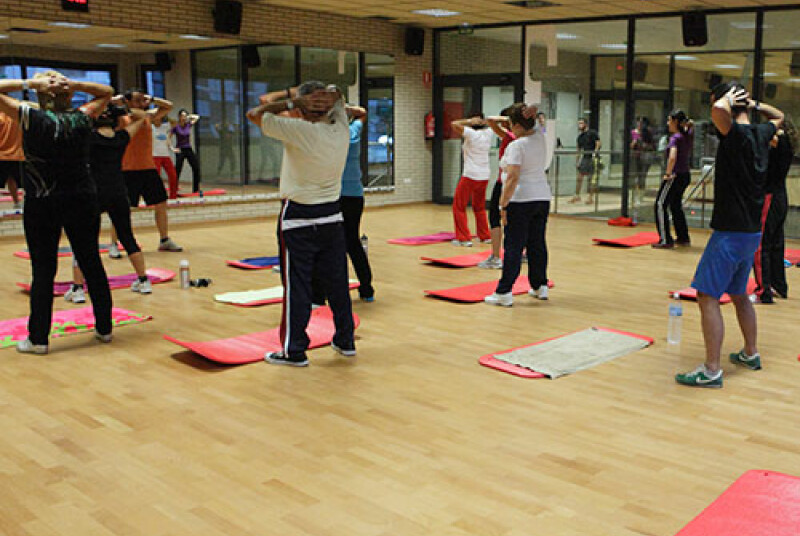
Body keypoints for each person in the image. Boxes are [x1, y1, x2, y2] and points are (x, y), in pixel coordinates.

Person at [675, 82, 783, 388]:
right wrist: (754, 104)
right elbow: (779, 116)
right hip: (750, 232)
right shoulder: (761, 133)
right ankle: (750, 352)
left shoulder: (736, 135)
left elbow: (718, 110)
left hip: (730, 232)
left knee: (706, 296)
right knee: (738, 294)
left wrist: (728, 100)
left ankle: (711, 370)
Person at [0, 71, 114, 354]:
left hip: (44, 201)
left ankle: (38, 339)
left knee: (43, 269)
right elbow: (107, 92)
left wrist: (30, 84)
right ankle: (104, 328)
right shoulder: (82, 117)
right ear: (68, 94)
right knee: (91, 261)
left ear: (41, 93)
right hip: (82, 198)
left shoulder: (31, 116)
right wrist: (73, 85)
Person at [246, 81, 355, 367]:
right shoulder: (341, 128)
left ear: (303, 108)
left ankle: (293, 350)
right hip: (332, 217)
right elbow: (339, 99)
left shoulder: (298, 130)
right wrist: (330, 96)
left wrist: (293, 101)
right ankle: (345, 340)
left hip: (298, 218)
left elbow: (254, 114)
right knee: (337, 283)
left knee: (298, 286)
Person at [66, 104, 153, 303]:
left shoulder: (88, 137)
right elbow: (142, 117)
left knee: (84, 241)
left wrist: (97, 106)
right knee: (127, 236)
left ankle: (78, 288)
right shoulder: (121, 138)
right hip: (118, 192)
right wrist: (123, 107)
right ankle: (143, 280)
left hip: (93, 193)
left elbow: (74, 116)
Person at [484, 103, 550, 307]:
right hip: (541, 198)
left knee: (514, 245)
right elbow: (535, 121)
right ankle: (540, 286)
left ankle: (504, 291)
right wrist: (533, 110)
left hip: (520, 200)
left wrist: (503, 206)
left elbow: (512, 178)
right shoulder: (539, 137)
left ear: (518, 125)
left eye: (512, 124)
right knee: (536, 243)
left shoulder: (517, 146)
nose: (510, 128)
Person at [119, 88, 182, 252]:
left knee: (161, 204)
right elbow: (106, 107)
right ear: (128, 102)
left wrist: (151, 98)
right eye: (137, 100)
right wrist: (119, 101)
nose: (141, 103)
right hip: (128, 170)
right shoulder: (122, 118)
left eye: (142, 100)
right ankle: (116, 243)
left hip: (148, 168)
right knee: (121, 208)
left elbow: (168, 106)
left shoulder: (149, 117)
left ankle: (164, 240)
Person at [753, 120, 796, 303]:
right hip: (780, 197)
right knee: (776, 244)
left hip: (770, 198)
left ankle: (763, 290)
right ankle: (778, 286)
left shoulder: (780, 142)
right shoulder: (787, 145)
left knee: (761, 245)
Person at [479, 107, 516, 270]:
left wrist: (507, 119)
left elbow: (491, 121)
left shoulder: (511, 136)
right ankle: (517, 253)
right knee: (511, 219)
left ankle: (496, 257)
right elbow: (492, 123)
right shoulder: (519, 137)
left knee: (497, 218)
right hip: (511, 183)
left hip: (505, 183)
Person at [450, 112, 494, 247]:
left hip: (470, 175)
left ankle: (463, 238)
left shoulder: (471, 133)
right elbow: (500, 123)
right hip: (484, 176)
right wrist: (486, 121)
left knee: (459, 207)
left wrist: (469, 121)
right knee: (479, 207)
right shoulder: (489, 133)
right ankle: (485, 236)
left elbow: (454, 124)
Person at [653, 110, 693, 249]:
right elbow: (691, 125)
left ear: (675, 122)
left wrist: (668, 173)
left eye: (669, 120)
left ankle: (665, 239)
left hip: (675, 175)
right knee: (675, 205)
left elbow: (672, 157)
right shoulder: (687, 135)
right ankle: (683, 237)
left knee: (660, 204)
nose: (667, 123)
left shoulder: (675, 138)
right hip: (685, 175)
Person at [170, 109, 201, 193]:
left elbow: (197, 117)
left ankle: (196, 190)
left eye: (185, 116)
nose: (183, 117)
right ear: (179, 117)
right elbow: (168, 137)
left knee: (196, 167)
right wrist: (172, 148)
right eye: (182, 116)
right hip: (180, 149)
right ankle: (174, 189)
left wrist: (188, 116)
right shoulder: (176, 127)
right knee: (178, 170)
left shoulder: (188, 125)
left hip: (188, 149)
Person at [572, 117, 600, 204]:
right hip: (585, 157)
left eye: (581, 123)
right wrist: (577, 161)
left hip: (592, 157)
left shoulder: (592, 133)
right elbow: (578, 150)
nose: (579, 125)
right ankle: (577, 196)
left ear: (586, 124)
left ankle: (590, 197)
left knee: (591, 178)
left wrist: (595, 153)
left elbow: (598, 143)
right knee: (579, 177)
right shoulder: (580, 137)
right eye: (579, 124)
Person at [0, 111, 23, 209]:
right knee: (12, 179)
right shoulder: (16, 116)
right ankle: (16, 202)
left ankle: (17, 202)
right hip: (15, 154)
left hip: (4, 154)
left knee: (12, 179)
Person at [152, 114, 178, 200]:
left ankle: (173, 196)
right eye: (156, 118)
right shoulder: (151, 127)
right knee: (156, 178)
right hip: (155, 156)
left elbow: (175, 123)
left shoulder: (165, 126)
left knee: (173, 175)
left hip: (166, 155)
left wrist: (164, 115)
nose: (158, 120)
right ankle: (157, 196)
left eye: (159, 118)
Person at [630, 116, 654, 202]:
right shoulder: (632, 133)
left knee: (642, 177)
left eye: (641, 122)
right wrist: (634, 142)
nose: (640, 124)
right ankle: (632, 196)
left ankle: (640, 196)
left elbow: (652, 146)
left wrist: (645, 145)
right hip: (635, 157)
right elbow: (630, 146)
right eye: (638, 122)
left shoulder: (647, 133)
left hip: (644, 157)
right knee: (634, 176)